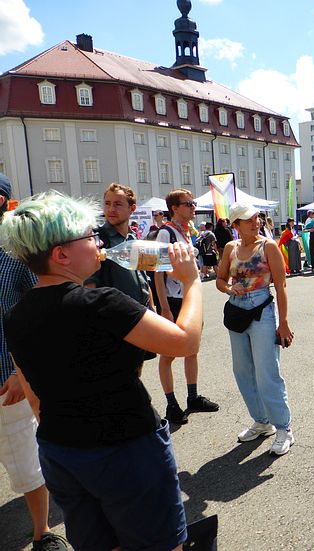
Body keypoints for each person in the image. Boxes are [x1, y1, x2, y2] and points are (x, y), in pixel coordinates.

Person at [2, 191, 202, 551]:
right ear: (61, 254)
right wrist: (191, 282)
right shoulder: (101, 303)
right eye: (89, 236)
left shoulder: (16, 317)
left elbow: (35, 400)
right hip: (128, 450)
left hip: (61, 452)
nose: (98, 242)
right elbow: (186, 342)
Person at [0, 176, 69, 551]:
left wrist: (18, 371)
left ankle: (42, 532)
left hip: (8, 379)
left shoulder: (15, 256)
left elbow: (43, 310)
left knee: (26, 463)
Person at [215, 202, 295, 455]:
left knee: (267, 371)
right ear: (236, 224)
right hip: (237, 311)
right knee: (242, 370)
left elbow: (281, 286)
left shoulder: (268, 246)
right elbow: (220, 279)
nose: (255, 222)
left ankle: (283, 428)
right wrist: (229, 288)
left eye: (256, 218)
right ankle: (262, 422)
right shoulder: (231, 247)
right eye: (248, 219)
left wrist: (283, 322)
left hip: (262, 310)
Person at [155, 190, 219, 425]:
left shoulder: (185, 231)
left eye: (194, 203)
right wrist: (164, 307)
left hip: (190, 299)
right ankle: (171, 404)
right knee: (169, 354)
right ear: (174, 208)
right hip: (172, 300)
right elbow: (158, 273)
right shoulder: (166, 233)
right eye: (189, 204)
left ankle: (193, 397)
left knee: (192, 348)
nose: (194, 207)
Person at [87, 183, 152, 308]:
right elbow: (89, 285)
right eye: (107, 203)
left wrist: (153, 309)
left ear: (132, 208)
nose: (111, 209)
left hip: (143, 311)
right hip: (115, 314)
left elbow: (143, 279)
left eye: (117, 204)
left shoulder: (133, 238)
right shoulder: (96, 240)